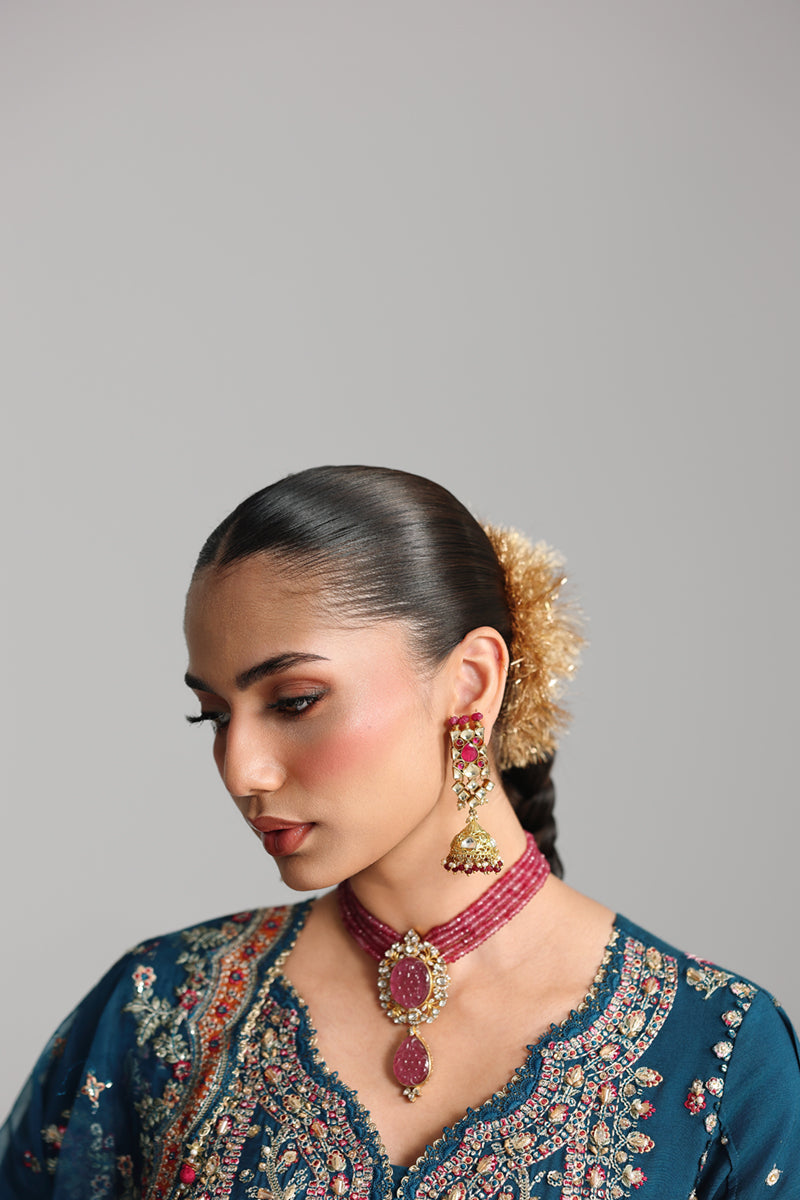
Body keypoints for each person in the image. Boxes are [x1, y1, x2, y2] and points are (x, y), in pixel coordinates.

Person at [1, 464, 798, 1199]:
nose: (241, 770)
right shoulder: (163, 1009)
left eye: (293, 701)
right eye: (213, 716)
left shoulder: (715, 1050)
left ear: (470, 684)